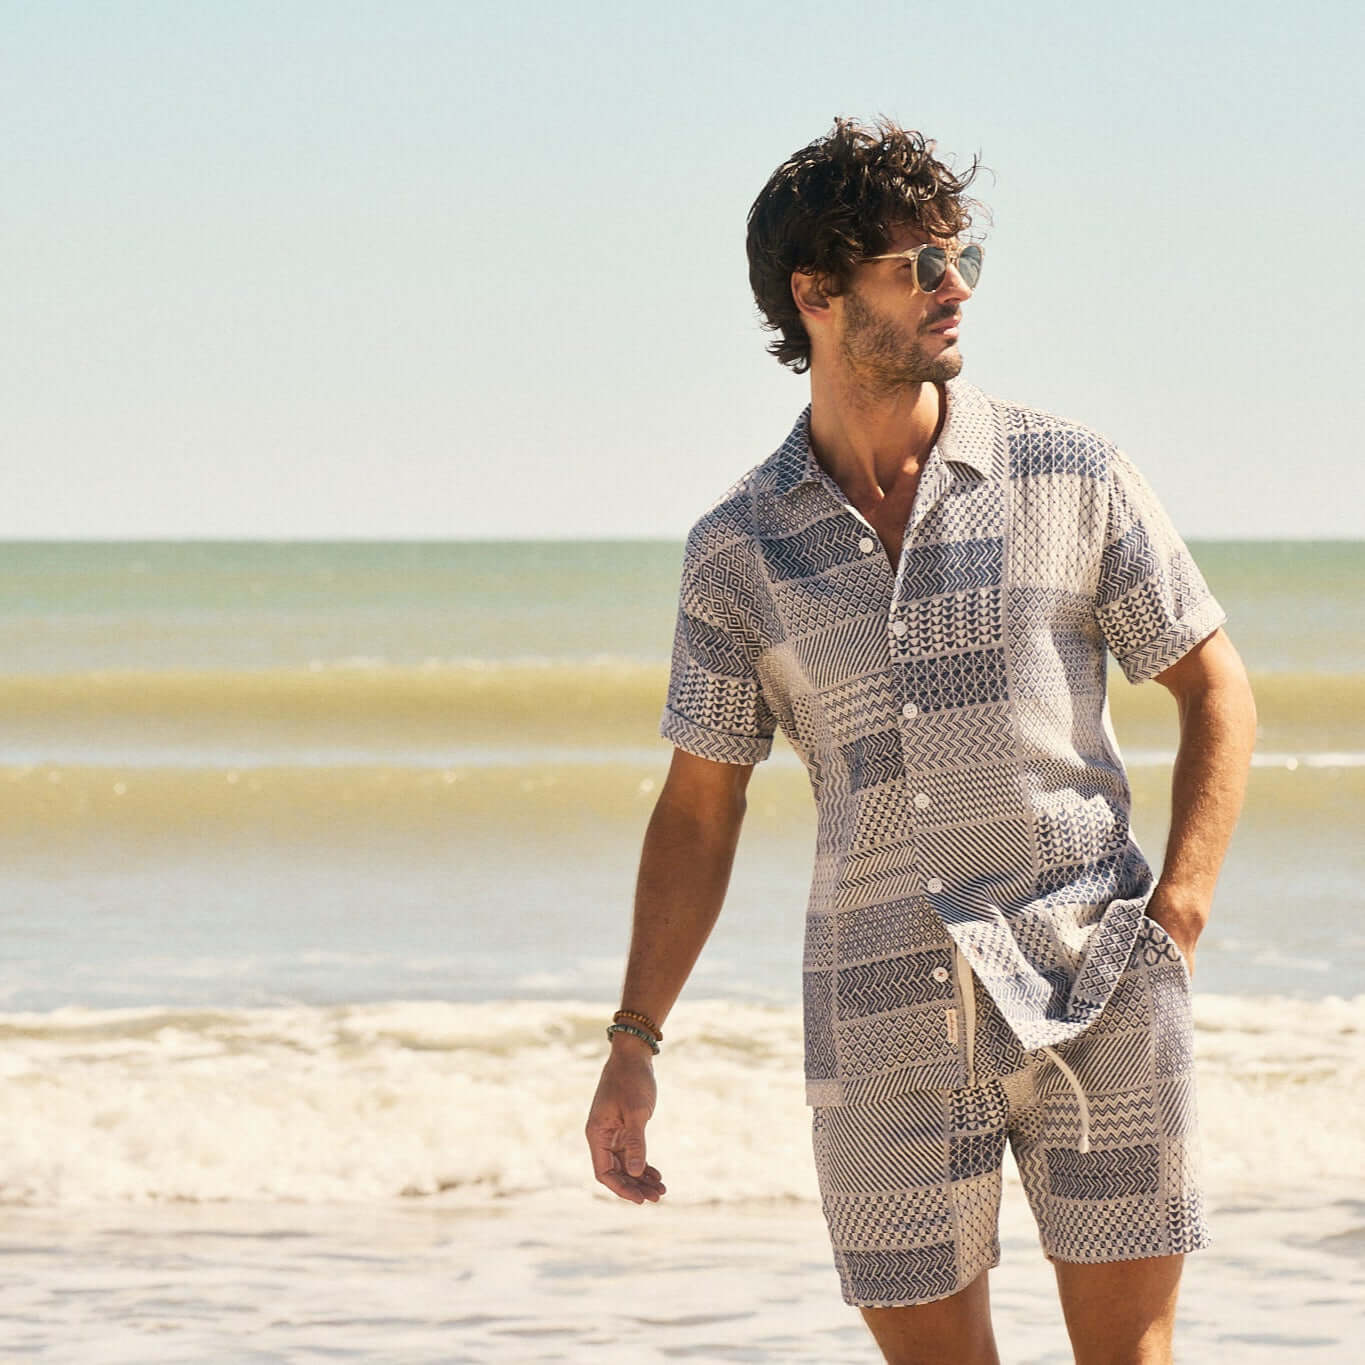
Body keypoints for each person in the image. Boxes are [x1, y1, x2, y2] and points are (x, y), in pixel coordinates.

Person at [584, 115, 1257, 1365]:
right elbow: (697, 810)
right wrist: (635, 1044)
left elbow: (1216, 687)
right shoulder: (738, 552)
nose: (955, 290)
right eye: (919, 265)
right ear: (819, 294)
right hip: (877, 1012)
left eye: (960, 258)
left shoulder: (1071, 474)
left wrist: (1181, 918)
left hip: (1099, 980)